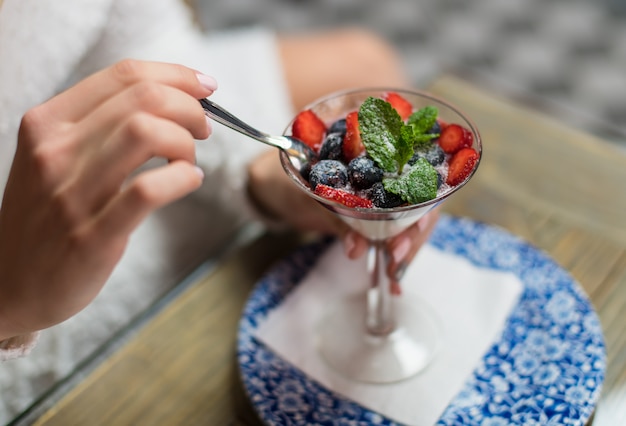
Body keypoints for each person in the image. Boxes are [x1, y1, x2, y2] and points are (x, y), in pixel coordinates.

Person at [0, 0, 438, 420]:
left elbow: (147, 37)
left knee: (365, 63)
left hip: (93, 144)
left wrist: (258, 175)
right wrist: (15, 304)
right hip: (35, 296)